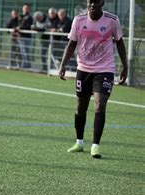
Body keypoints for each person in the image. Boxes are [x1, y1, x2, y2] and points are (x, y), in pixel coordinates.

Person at [59, 0, 127, 159]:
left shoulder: (112, 20)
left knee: (99, 105)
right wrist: (63, 65)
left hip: (105, 69)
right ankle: (79, 142)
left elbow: (120, 43)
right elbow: (71, 44)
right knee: (80, 107)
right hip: (83, 69)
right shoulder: (79, 20)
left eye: (96, 1)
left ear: (102, 2)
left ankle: (95, 146)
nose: (92, 4)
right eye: (90, 1)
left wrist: (125, 66)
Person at [16, 3, 33, 69]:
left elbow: (28, 26)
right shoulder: (20, 16)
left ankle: (27, 65)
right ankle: (24, 64)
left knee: (26, 51)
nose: (25, 9)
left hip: (26, 37)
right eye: (24, 8)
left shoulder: (30, 17)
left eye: (27, 8)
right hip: (20, 36)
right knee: (21, 51)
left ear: (29, 9)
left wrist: (20, 28)